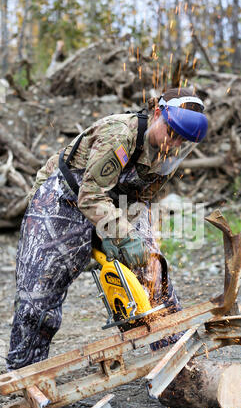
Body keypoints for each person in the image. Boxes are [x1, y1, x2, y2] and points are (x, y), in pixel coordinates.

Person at [6, 87, 208, 371]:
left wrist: (117, 234)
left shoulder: (169, 153)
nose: (174, 144)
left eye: (183, 140)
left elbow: (142, 197)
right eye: (172, 133)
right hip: (66, 196)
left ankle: (177, 361)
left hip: (119, 202)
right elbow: (90, 195)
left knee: (152, 273)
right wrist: (121, 235)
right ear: (159, 113)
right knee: (39, 296)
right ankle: (24, 374)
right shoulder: (119, 134)